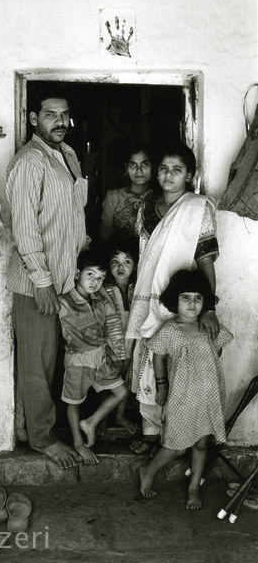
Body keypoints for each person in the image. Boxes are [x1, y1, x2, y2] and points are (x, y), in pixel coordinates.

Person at [6, 82, 88, 469]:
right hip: (36, 284)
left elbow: (70, 214)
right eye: (50, 114)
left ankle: (43, 429)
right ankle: (41, 438)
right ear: (34, 118)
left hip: (64, 280)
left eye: (64, 114)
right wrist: (41, 281)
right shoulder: (29, 162)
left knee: (58, 360)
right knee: (39, 363)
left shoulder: (67, 154)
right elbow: (24, 227)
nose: (60, 121)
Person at [126, 143, 220, 456]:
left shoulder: (197, 208)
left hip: (182, 301)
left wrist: (208, 308)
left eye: (176, 170)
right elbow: (145, 252)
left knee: (178, 367)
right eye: (164, 168)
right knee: (148, 361)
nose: (168, 175)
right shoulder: (148, 203)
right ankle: (151, 431)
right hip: (147, 295)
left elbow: (206, 260)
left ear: (189, 175)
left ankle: (176, 433)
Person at [139, 270, 233, 509]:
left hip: (208, 396)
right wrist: (162, 387)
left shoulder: (210, 328)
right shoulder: (170, 330)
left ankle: (193, 488)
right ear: (175, 300)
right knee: (177, 446)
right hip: (181, 397)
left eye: (198, 298)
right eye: (186, 297)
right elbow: (159, 359)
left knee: (201, 444)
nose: (192, 303)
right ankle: (148, 472)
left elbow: (217, 352)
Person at [59, 250, 128, 465]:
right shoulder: (64, 301)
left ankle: (91, 422)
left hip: (101, 357)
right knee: (74, 403)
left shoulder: (98, 300)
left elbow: (111, 313)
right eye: (90, 275)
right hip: (79, 361)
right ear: (77, 273)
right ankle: (78, 443)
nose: (95, 282)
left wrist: (104, 293)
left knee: (121, 392)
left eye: (99, 278)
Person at [103, 233, 139, 433]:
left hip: (131, 345)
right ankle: (103, 417)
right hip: (110, 346)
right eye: (115, 262)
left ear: (135, 265)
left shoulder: (138, 288)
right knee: (107, 382)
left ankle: (119, 416)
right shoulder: (104, 289)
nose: (120, 267)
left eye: (127, 261)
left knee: (125, 381)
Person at [101, 142, 155, 243]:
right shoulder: (114, 197)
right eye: (133, 164)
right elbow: (105, 236)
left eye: (145, 164)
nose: (139, 170)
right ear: (126, 168)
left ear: (153, 167)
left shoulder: (159, 197)